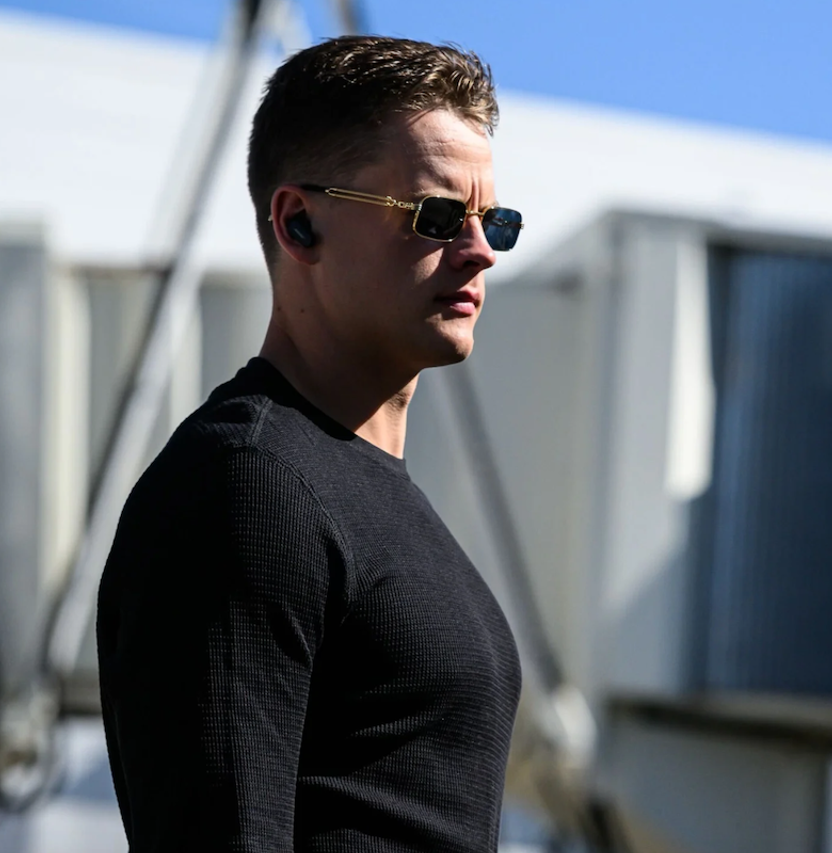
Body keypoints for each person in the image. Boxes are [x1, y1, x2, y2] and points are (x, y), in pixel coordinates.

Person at [96, 36, 524, 853]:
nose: (479, 253)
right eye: (435, 217)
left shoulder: (362, 491)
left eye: (493, 221)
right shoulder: (249, 485)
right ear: (299, 222)